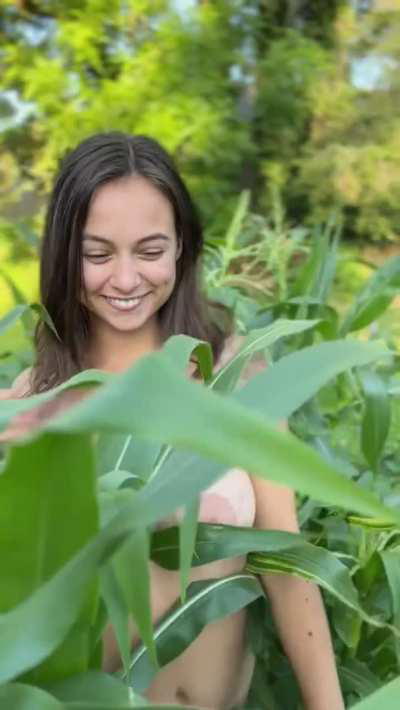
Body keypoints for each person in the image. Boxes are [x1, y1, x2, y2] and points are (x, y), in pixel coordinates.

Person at [0, 132, 344, 709]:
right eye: (98, 254)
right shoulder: (34, 401)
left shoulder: (235, 380)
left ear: (182, 246)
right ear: (64, 254)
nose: (128, 279)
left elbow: (289, 566)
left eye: (151, 250)